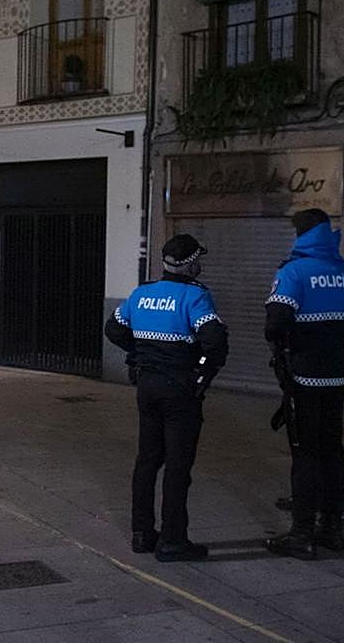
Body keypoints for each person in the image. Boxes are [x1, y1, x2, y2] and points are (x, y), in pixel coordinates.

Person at [264, 208, 344, 560]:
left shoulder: (294, 271)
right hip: (335, 375)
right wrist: (336, 325)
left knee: (304, 454)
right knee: (330, 451)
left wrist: (303, 332)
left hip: (302, 376)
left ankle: (302, 533)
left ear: (301, 235)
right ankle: (331, 528)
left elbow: (275, 324)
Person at [105, 234, 229, 562]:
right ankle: (173, 539)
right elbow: (215, 342)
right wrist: (201, 370)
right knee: (177, 466)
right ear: (189, 263)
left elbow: (113, 329)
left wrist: (141, 354)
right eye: (197, 258)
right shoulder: (195, 297)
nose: (200, 263)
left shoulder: (141, 294)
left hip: (147, 387)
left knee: (147, 460)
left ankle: (142, 533)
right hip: (179, 391)